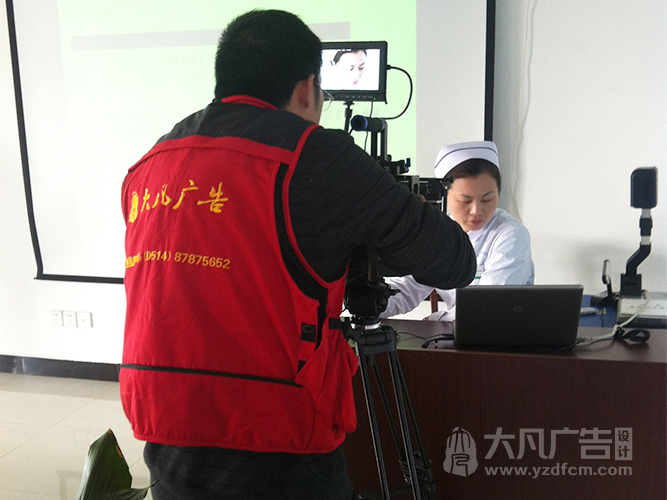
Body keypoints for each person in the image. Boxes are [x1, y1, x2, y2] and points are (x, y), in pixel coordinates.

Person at [120, 9, 476, 500]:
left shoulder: (153, 160)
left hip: (167, 421)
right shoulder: (317, 155)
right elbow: (454, 261)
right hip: (277, 434)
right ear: (308, 88)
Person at [382, 141, 534, 321]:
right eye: (465, 201)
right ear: (445, 196)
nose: (476, 210)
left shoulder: (512, 234)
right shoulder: (439, 231)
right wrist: (372, 305)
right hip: (456, 332)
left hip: (499, 334)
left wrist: (434, 320)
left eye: (487, 199)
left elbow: (489, 305)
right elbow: (409, 286)